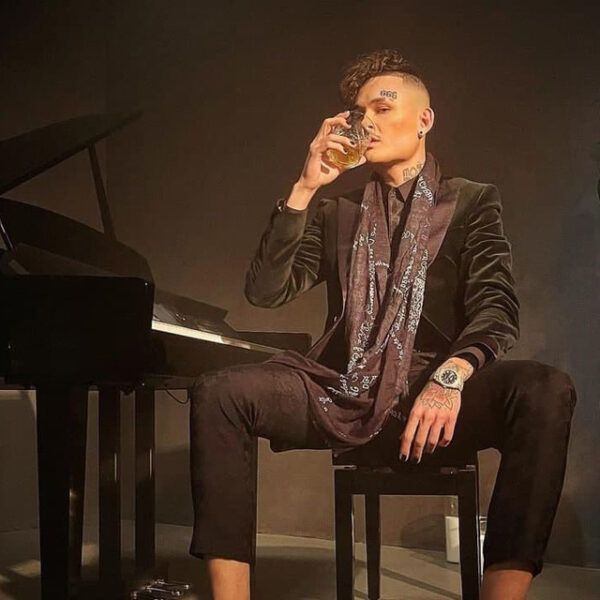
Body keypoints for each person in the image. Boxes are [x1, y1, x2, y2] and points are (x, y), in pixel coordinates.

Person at [189, 49, 576, 600]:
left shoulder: (470, 201)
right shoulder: (337, 212)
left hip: (434, 394)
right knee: (221, 391)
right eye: (359, 112)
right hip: (345, 389)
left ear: (425, 119)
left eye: (383, 107)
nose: (367, 122)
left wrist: (449, 377)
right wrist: (305, 189)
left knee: (546, 389)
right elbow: (266, 291)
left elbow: (496, 307)